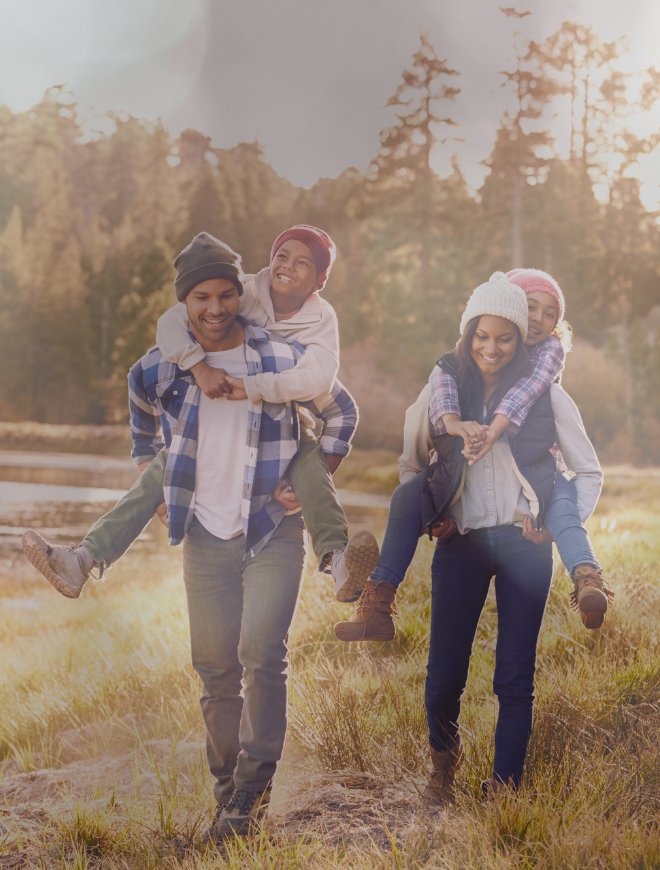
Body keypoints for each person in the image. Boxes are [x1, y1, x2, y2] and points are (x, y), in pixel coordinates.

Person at [47, 238, 357, 840]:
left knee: (262, 656)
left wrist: (323, 468)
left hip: (270, 529)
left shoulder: (276, 355)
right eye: (201, 297)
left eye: (225, 295)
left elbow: (341, 406)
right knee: (214, 668)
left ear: (242, 295)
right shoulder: (169, 360)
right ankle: (230, 798)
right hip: (205, 534)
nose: (214, 308)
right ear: (183, 303)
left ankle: (252, 786)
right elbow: (138, 396)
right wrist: (147, 467)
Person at [22, 227, 378, 605]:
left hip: (284, 423)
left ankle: (337, 561)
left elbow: (326, 384)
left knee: (308, 462)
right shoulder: (240, 292)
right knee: (166, 465)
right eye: (282, 255)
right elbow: (171, 324)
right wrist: (197, 367)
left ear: (321, 280)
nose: (287, 266)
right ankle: (82, 559)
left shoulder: (315, 327)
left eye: (303, 262)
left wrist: (306, 478)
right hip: (210, 423)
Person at [357, 272, 601, 800]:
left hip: (524, 546)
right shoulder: (441, 390)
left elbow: (588, 472)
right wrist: (431, 514)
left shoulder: (547, 398)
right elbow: (410, 466)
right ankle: (443, 767)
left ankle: (505, 786)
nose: (493, 347)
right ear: (469, 334)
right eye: (483, 336)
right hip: (461, 544)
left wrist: (556, 527)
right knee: (445, 673)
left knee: (515, 676)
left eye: (507, 336)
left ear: (519, 339)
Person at [335, 268, 611, 642]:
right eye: (531, 308)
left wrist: (492, 431)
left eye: (551, 314)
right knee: (406, 495)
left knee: (562, 503)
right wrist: (437, 505)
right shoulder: (454, 368)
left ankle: (587, 576)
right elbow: (419, 444)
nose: (540, 321)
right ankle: (378, 598)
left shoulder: (545, 364)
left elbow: (527, 395)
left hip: (536, 480)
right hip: (464, 514)